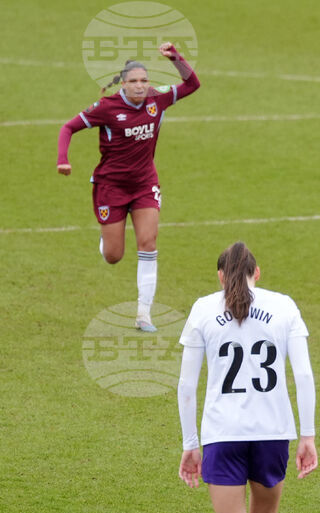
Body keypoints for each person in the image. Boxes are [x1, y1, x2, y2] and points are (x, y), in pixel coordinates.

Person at [177, 242, 317, 513]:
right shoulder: (284, 306)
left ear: (221, 277)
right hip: (273, 432)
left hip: (222, 434)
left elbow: (186, 387)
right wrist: (307, 435)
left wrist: (189, 445)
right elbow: (304, 374)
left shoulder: (203, 309)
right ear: (258, 272)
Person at [57, 43, 200, 332]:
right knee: (114, 255)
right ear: (123, 83)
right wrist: (63, 160)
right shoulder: (107, 108)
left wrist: (175, 58)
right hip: (111, 186)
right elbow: (68, 127)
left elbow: (192, 83)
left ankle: (144, 314)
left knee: (148, 242)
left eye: (144, 81)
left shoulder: (157, 100)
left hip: (145, 183)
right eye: (134, 81)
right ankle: (106, 239)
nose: (140, 86)